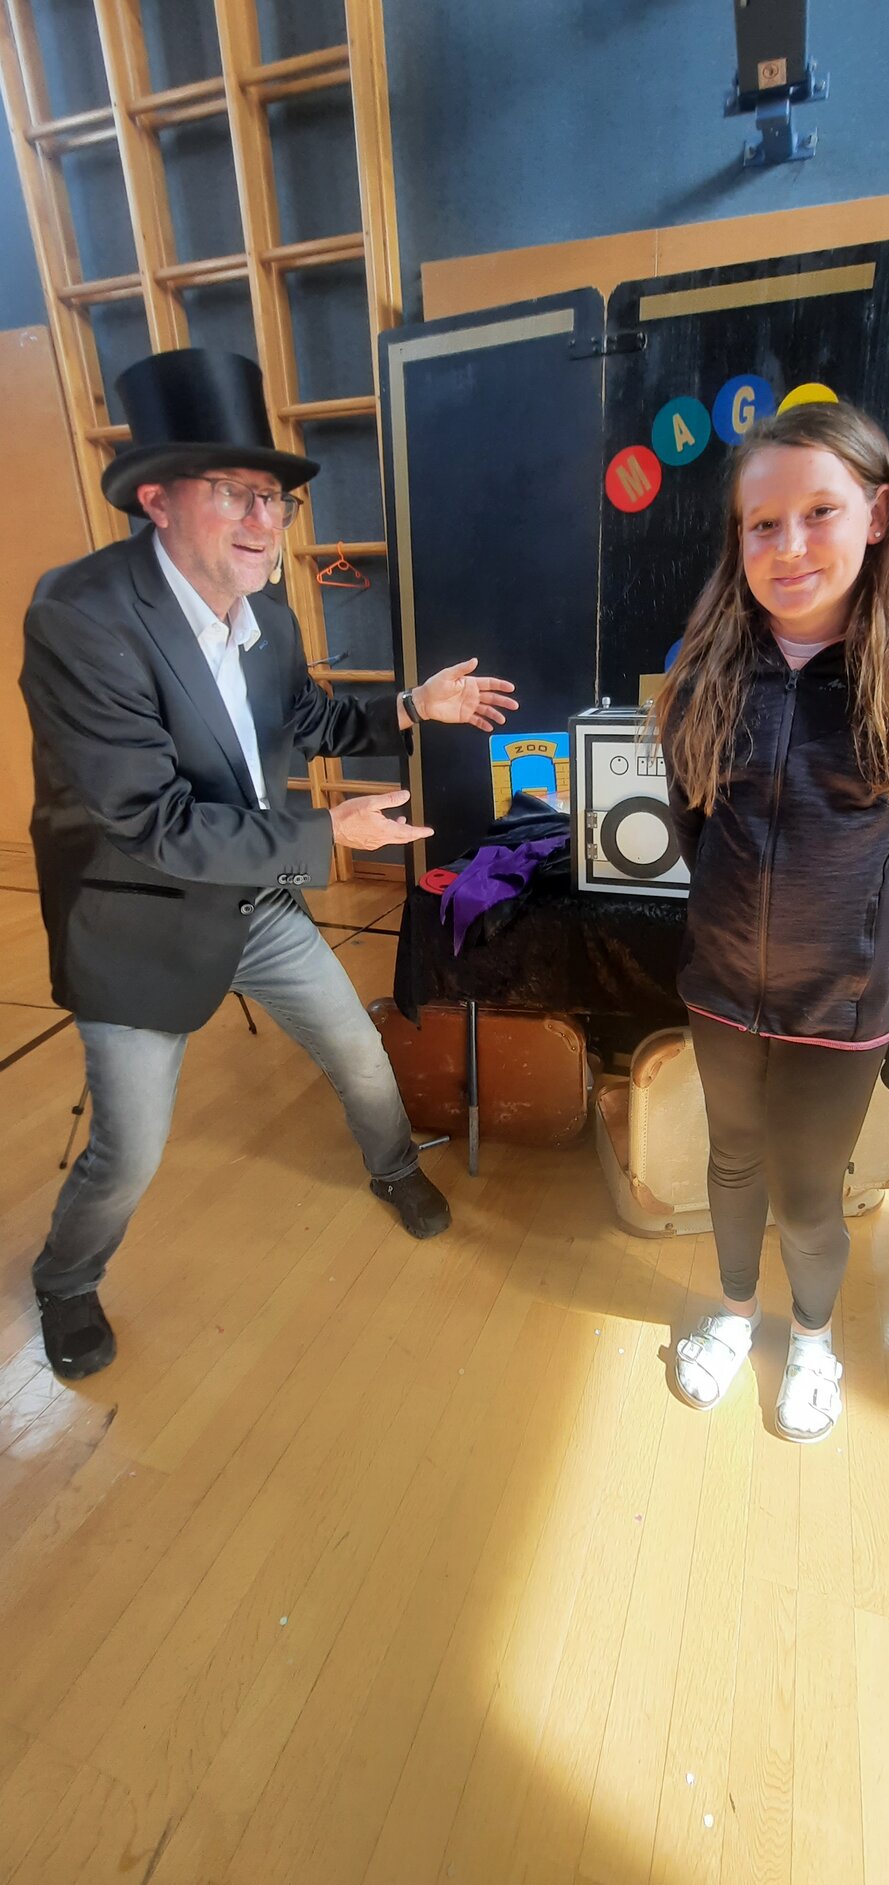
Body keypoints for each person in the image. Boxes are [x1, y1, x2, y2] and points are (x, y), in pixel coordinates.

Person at [20, 347, 517, 1382]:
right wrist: (327, 838)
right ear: (156, 499)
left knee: (359, 1053)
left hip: (256, 896)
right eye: (235, 493)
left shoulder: (270, 618)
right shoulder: (82, 619)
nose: (264, 521)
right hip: (138, 917)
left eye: (275, 499)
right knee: (130, 1151)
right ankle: (65, 1279)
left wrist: (413, 707)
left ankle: (391, 1167)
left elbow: (305, 721)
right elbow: (149, 822)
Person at [654, 400, 889, 1441]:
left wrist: (846, 917)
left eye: (820, 512)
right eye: (763, 523)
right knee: (730, 1162)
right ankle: (732, 1314)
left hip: (840, 1005)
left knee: (808, 1197)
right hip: (722, 986)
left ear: (877, 515)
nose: (790, 545)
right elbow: (691, 821)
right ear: (739, 538)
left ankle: (811, 1339)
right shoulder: (707, 670)